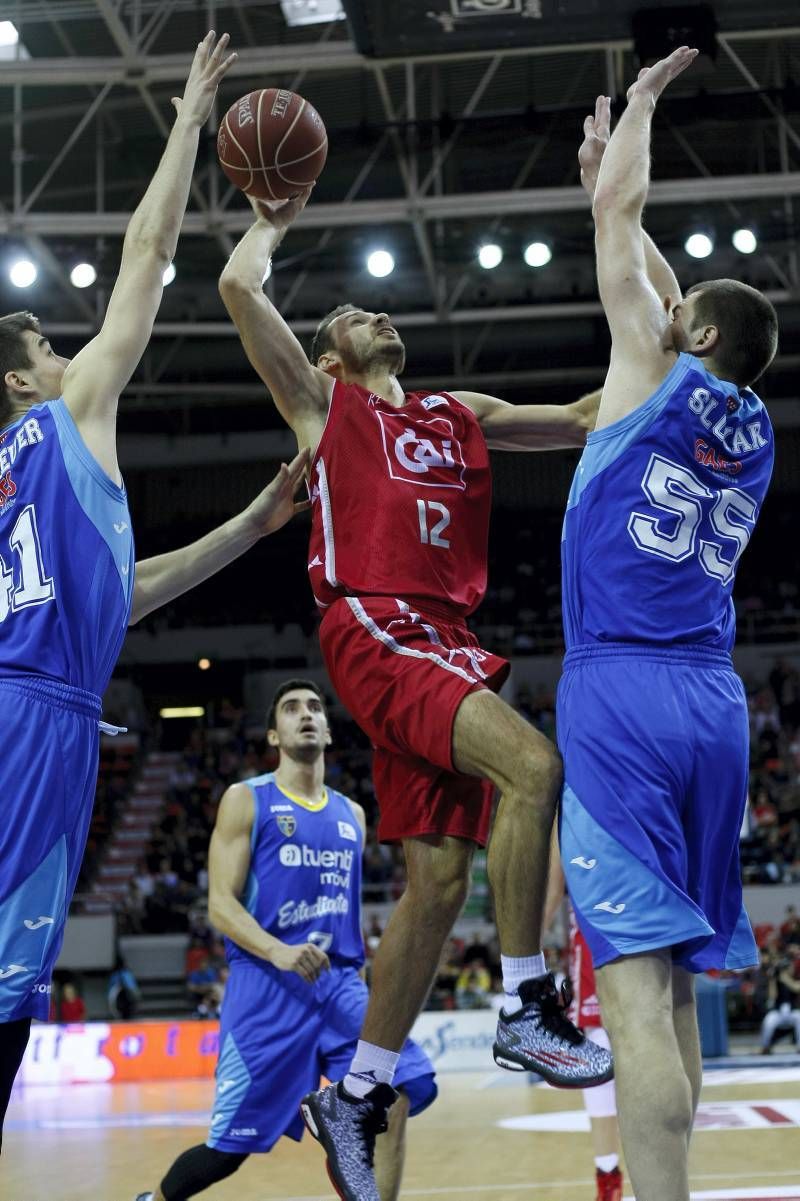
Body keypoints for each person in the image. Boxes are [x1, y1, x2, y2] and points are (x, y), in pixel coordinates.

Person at [218, 186, 613, 1201]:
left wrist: (679, 363)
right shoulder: (322, 407)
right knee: (534, 766)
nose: (379, 316)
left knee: (436, 886)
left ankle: (356, 1087)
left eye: (379, 310)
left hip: (438, 637)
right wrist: (270, 213)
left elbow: (579, 415)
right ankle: (526, 1003)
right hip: (373, 624)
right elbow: (234, 282)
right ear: (326, 358)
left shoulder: (456, 414)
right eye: (355, 316)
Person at [0, 31, 332, 1147]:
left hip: (30, 684)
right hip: (35, 719)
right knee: (7, 982)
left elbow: (120, 599)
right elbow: (144, 263)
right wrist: (189, 120)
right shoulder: (63, 414)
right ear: (17, 380)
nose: (66, 352)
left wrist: (250, 521)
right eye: (45, 345)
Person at [558, 54, 779, 1201]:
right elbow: (676, 289)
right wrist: (630, 221)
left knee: (632, 991)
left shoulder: (644, 365)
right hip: (712, 698)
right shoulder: (748, 425)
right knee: (682, 987)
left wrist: (632, 122)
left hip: (622, 694)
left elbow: (625, 221)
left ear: (686, 335)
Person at [135, 680, 436, 1201]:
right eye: (292, 709)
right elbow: (220, 906)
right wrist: (279, 949)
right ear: (274, 733)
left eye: (316, 708)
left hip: (340, 985)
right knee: (228, 1151)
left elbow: (345, 909)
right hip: (267, 986)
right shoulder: (245, 800)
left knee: (397, 1087)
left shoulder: (353, 816)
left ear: (328, 730)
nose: (306, 715)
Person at [544, 840, 623, 1201]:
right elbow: (551, 887)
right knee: (599, 1054)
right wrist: (521, 953)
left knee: (654, 1053)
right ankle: (608, 1174)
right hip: (594, 933)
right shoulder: (567, 803)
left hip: (647, 916)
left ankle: (656, 1170)